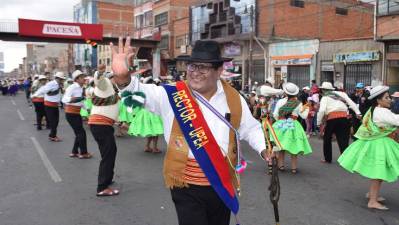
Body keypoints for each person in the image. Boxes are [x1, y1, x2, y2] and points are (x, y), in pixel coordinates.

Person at [111, 37, 269, 225]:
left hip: (221, 181)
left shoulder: (234, 98)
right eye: (192, 66)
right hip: (185, 184)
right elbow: (136, 94)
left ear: (219, 70)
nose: (195, 72)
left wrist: (264, 148)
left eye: (204, 67)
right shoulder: (170, 94)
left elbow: (250, 128)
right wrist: (122, 77)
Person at [338, 86, 399, 210]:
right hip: (380, 144)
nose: (390, 100)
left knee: (378, 171)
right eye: (387, 98)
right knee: (378, 172)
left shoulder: (373, 110)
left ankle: (372, 194)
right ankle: (372, 201)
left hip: (376, 142)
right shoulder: (382, 112)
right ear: (378, 100)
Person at [88, 66, 121, 197]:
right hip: (100, 125)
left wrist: (119, 122)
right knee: (109, 154)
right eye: (118, 77)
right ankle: (102, 187)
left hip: (103, 125)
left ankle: (107, 179)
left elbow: (111, 108)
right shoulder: (106, 84)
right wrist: (100, 73)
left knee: (108, 153)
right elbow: (99, 80)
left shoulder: (112, 90)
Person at [271, 82, 312, 174]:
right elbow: (304, 116)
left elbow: (275, 115)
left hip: (280, 125)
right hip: (293, 125)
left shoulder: (280, 102)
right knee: (294, 147)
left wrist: (281, 120)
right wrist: (307, 108)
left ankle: (281, 166)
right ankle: (294, 168)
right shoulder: (298, 103)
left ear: (285, 93)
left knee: (281, 147)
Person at [317, 82, 361, 163]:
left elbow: (322, 110)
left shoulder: (325, 97)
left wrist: (318, 122)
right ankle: (345, 159)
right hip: (344, 118)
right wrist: (358, 112)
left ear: (323, 90)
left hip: (332, 119)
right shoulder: (342, 94)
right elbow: (351, 103)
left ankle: (327, 159)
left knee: (327, 139)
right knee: (343, 140)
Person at [62, 70, 93, 159]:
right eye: (82, 77)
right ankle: (83, 153)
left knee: (79, 133)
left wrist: (87, 109)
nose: (84, 79)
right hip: (71, 113)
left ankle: (74, 152)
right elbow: (64, 99)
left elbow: (81, 101)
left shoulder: (80, 88)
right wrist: (74, 99)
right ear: (77, 79)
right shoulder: (72, 87)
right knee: (81, 133)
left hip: (76, 113)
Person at [32, 72, 66, 142]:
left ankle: (52, 135)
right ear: (58, 78)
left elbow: (59, 94)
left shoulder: (58, 85)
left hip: (55, 105)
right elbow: (43, 90)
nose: (62, 80)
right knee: (53, 122)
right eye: (61, 79)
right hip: (49, 105)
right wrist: (34, 95)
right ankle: (53, 136)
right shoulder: (52, 84)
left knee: (56, 122)